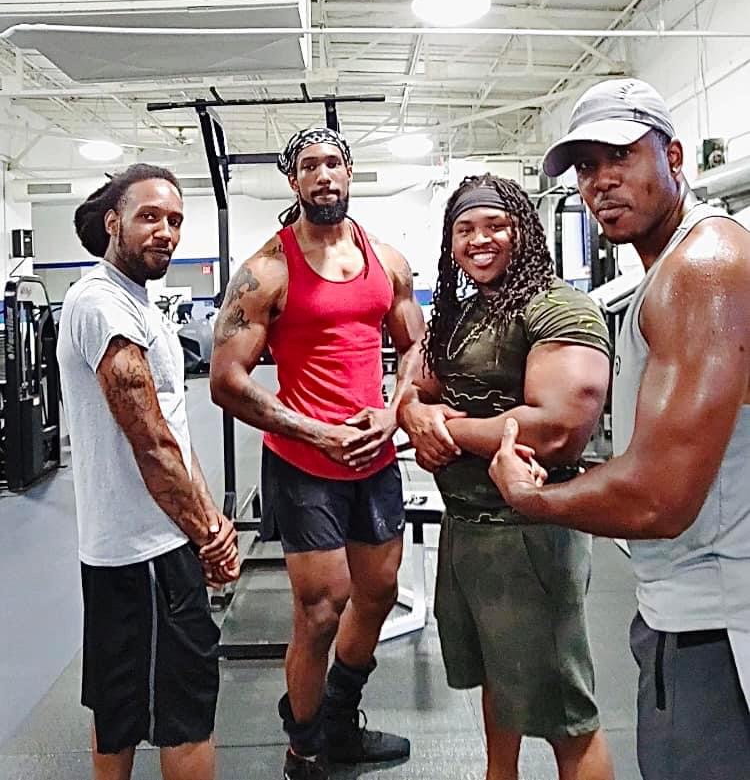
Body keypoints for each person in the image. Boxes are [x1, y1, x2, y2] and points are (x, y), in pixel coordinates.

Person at [490, 77, 750, 780]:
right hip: (688, 612)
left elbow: (659, 498)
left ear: (674, 156)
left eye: (620, 156)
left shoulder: (703, 266)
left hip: (717, 626)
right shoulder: (670, 271)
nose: (600, 181)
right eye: (585, 166)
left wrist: (532, 497)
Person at [209, 128, 425, 780]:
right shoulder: (267, 269)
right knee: (321, 609)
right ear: (294, 181)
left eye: (334, 163)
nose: (324, 175)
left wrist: (392, 410)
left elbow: (414, 346)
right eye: (310, 166)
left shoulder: (386, 260)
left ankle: (338, 721)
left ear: (350, 172)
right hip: (304, 463)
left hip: (374, 457)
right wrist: (316, 431)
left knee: (379, 593)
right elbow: (226, 379)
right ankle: (303, 750)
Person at [397, 174, 615, 780]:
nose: (479, 239)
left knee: (567, 715)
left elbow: (555, 429)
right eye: (465, 229)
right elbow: (413, 387)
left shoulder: (558, 308)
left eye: (495, 225)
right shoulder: (461, 314)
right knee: (498, 676)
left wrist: (445, 430)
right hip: (467, 528)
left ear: (524, 231)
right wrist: (415, 415)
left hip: (530, 532)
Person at [57, 163, 240, 780]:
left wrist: (212, 521)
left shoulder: (135, 303)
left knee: (120, 707)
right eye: (150, 217)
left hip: (130, 548)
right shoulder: (102, 303)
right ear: (113, 223)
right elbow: (152, 442)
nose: (166, 231)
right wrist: (207, 535)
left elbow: (173, 427)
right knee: (186, 715)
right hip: (150, 552)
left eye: (175, 220)